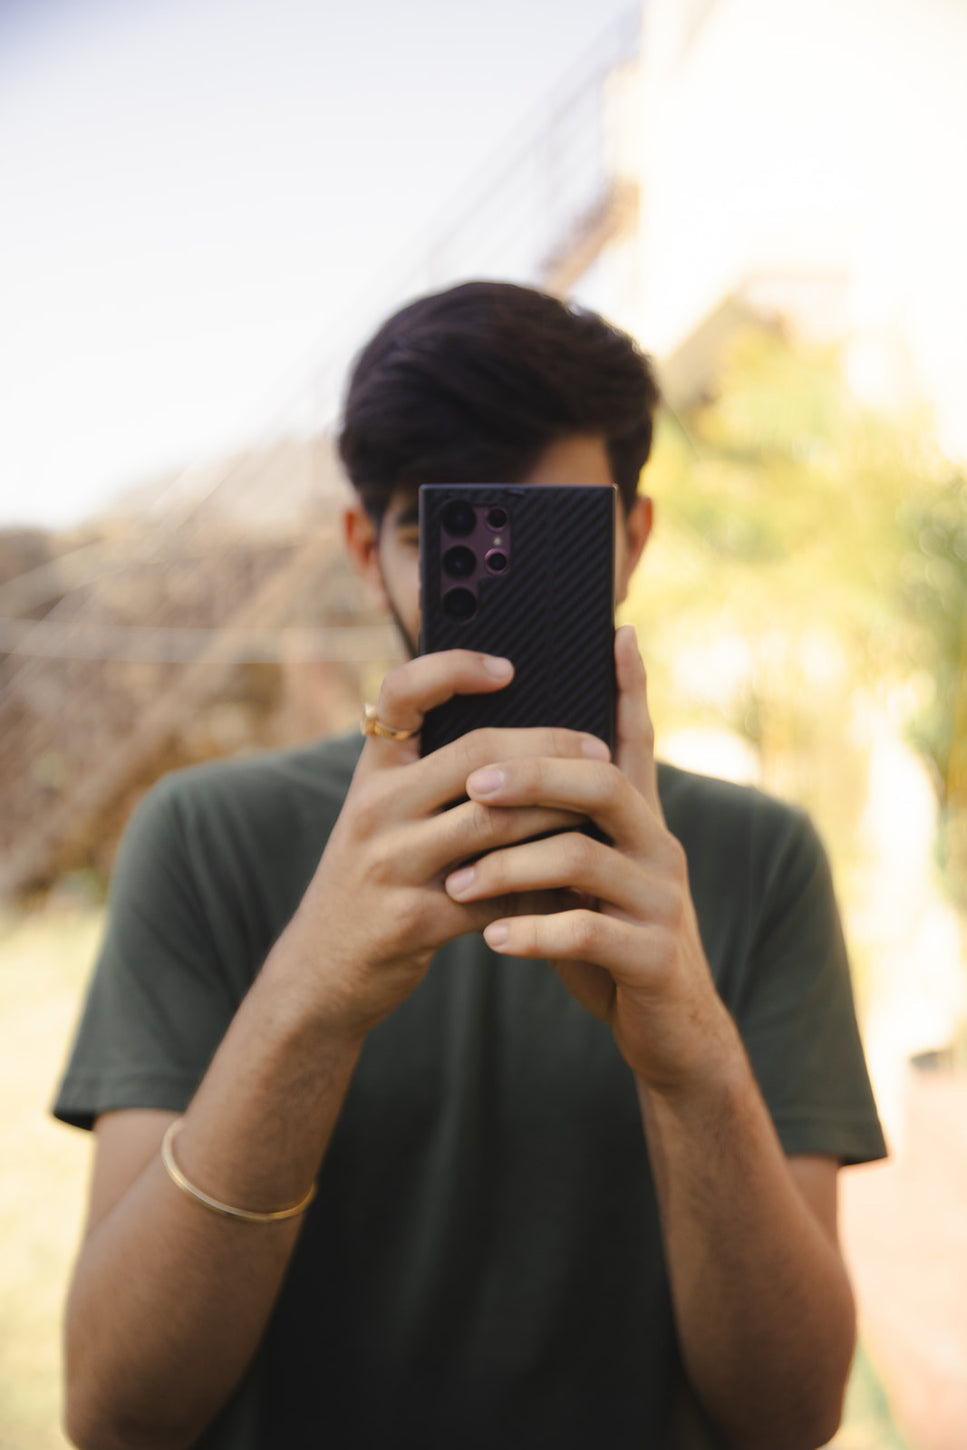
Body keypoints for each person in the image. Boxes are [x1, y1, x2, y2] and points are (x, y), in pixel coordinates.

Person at [54, 280, 886, 1450]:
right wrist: (308, 997)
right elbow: (117, 1413)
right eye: (444, 538)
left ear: (633, 539)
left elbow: (790, 1418)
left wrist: (692, 1056)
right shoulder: (204, 836)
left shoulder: (758, 859)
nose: (502, 594)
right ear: (365, 551)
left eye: (554, 537)